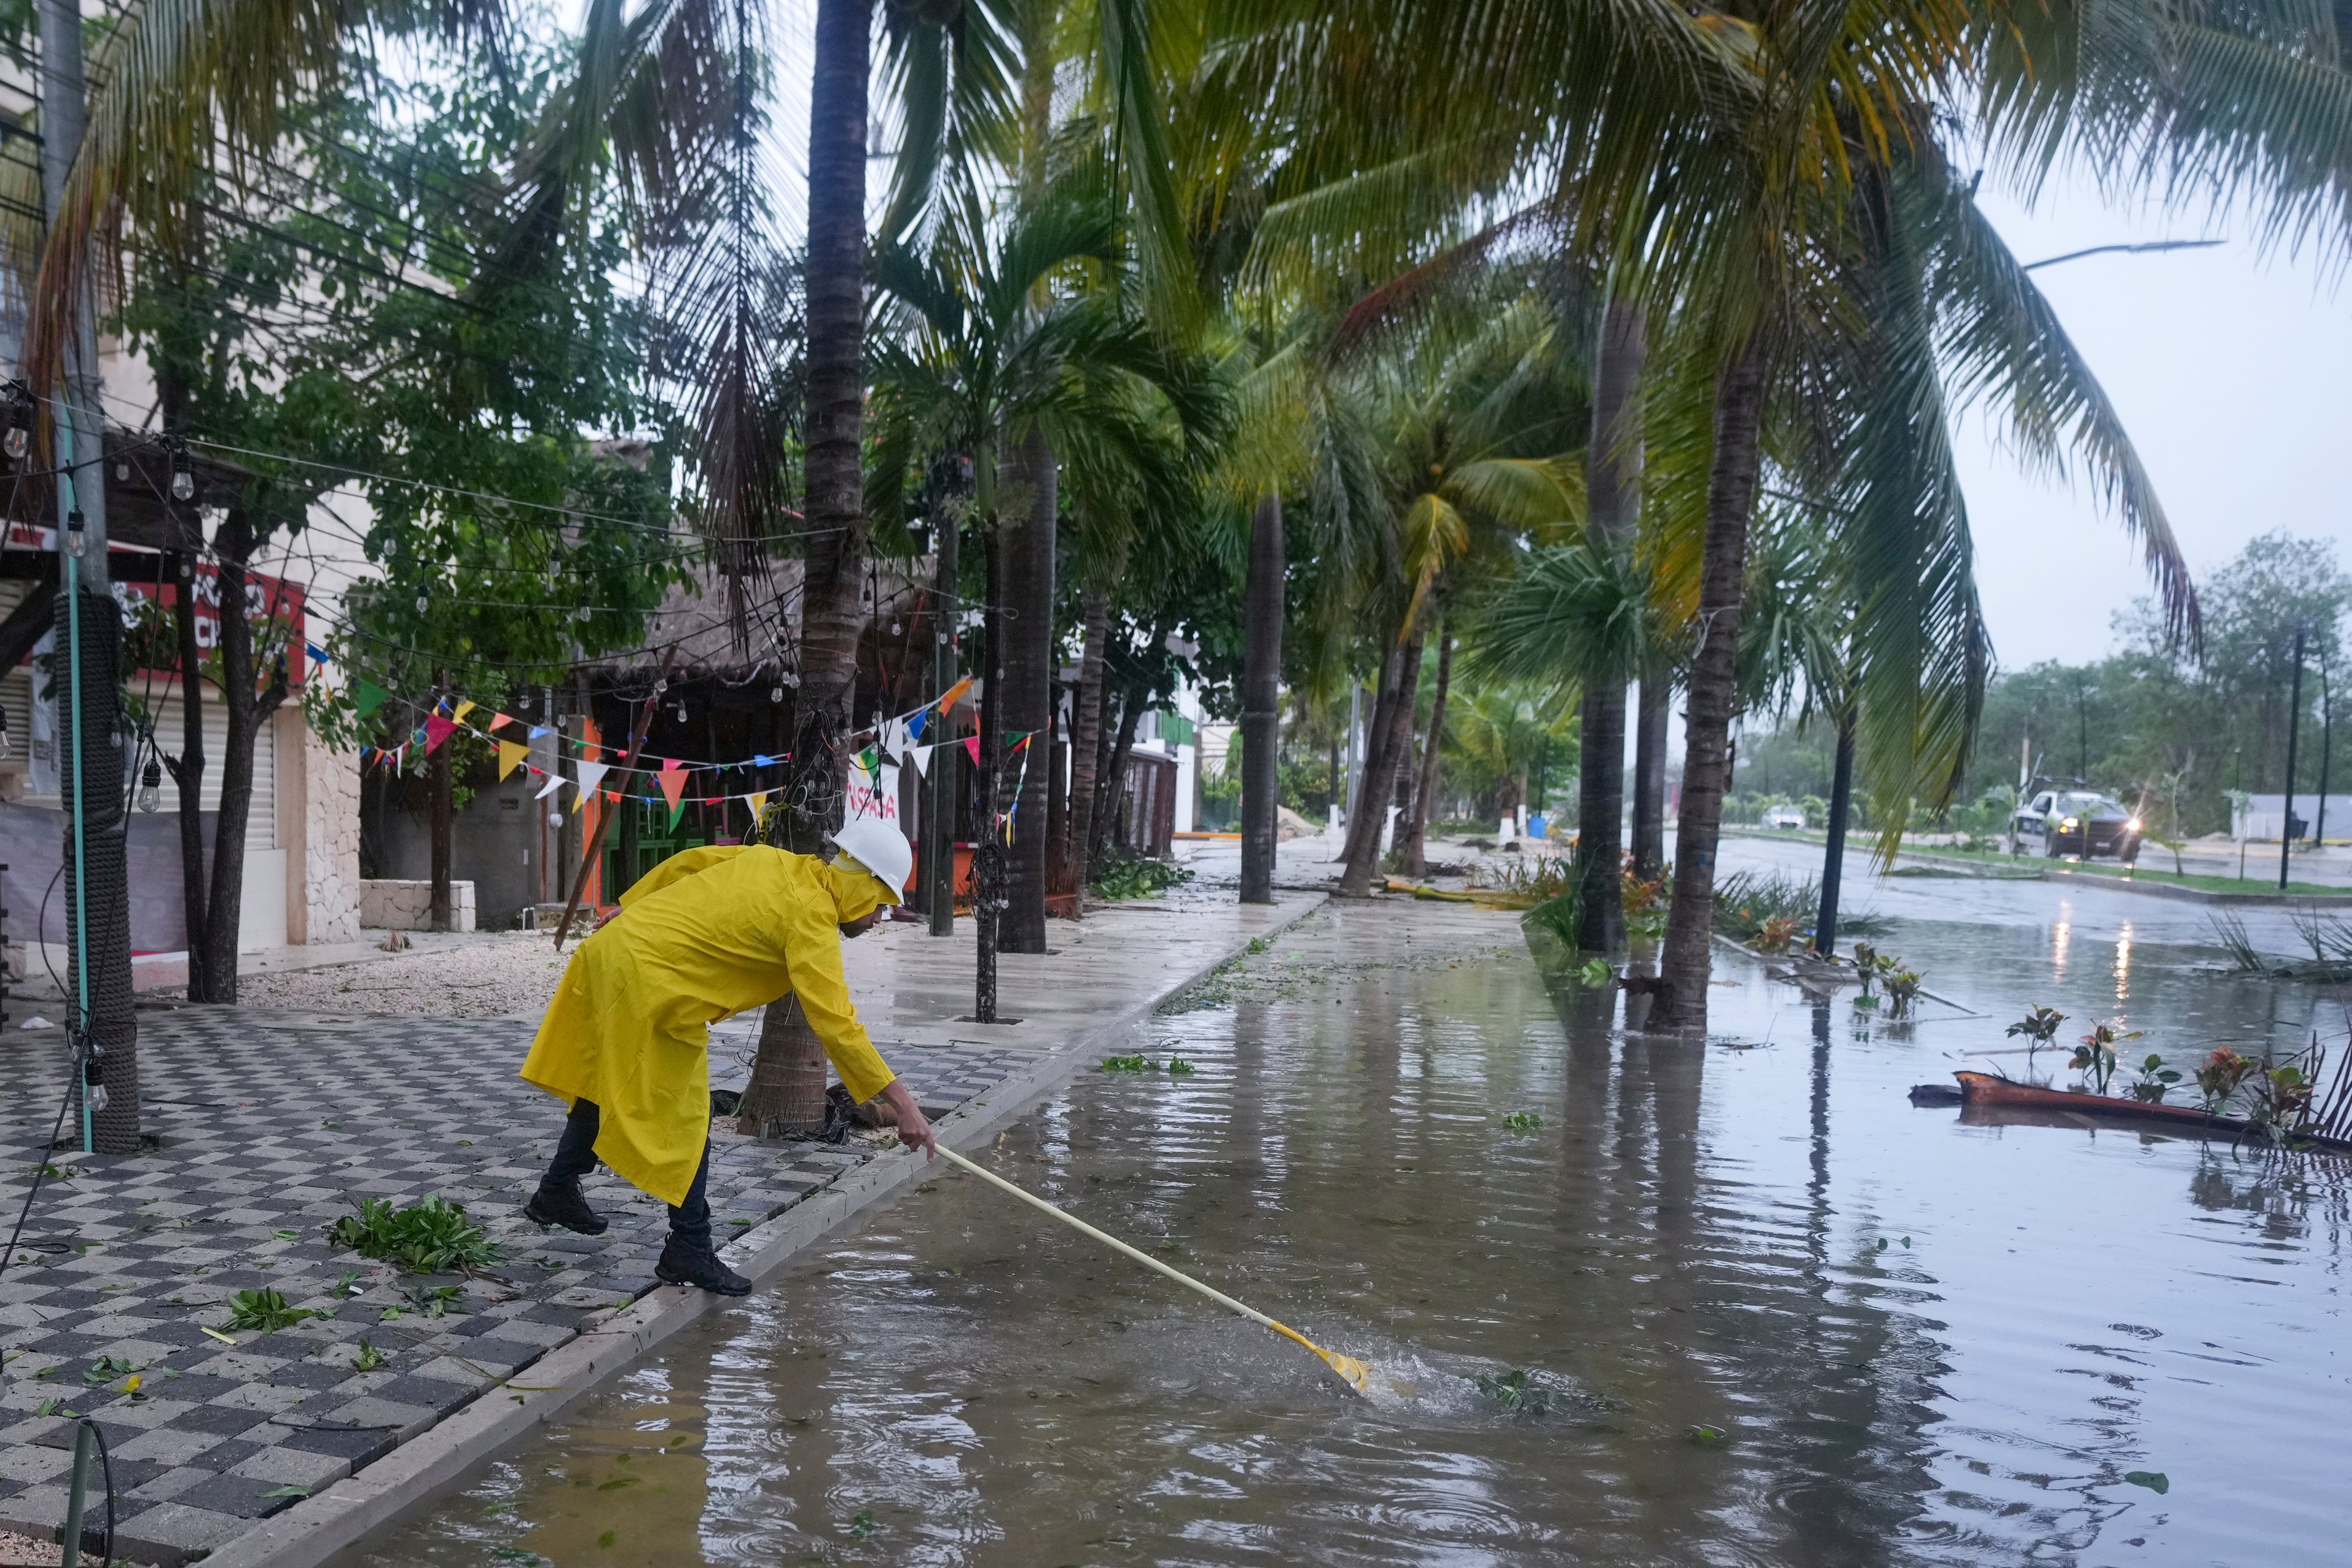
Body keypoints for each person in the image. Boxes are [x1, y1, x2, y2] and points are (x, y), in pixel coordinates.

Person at [519, 819, 935, 1295]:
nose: (878, 918)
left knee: (605, 1084)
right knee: (689, 1118)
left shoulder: (774, 860)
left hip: (613, 955)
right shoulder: (812, 919)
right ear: (863, 885)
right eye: (880, 904)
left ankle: (555, 1191)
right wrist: (905, 1106)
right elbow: (839, 1025)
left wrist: (628, 907)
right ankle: (689, 1248)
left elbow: (687, 863)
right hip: (649, 985)